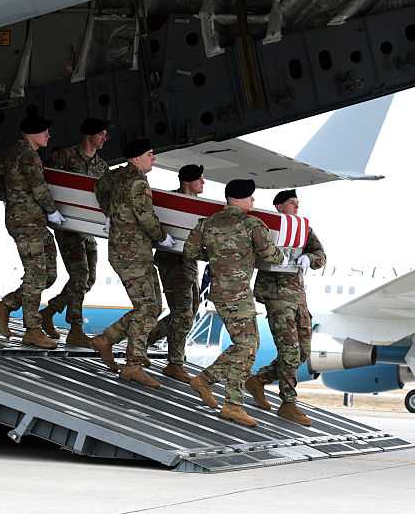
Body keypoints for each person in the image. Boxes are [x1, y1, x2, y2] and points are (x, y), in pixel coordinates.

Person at [185, 179, 284, 428]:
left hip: (218, 292)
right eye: (251, 197)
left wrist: (217, 256)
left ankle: (213, 385)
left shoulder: (208, 222)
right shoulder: (252, 224)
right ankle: (227, 400)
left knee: (247, 345)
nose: (253, 202)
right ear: (241, 198)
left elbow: (190, 251)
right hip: (238, 294)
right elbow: (273, 255)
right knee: (248, 345)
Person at [88, 139, 174, 386]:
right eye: (150, 154)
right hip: (133, 253)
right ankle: (132, 365)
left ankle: (107, 339)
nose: (153, 158)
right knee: (148, 307)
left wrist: (114, 213)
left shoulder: (115, 176)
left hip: (125, 250)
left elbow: (100, 190)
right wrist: (163, 237)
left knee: (153, 306)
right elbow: (145, 216)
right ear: (136, 158)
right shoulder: (137, 182)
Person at [246, 189, 326, 426]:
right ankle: (288, 403)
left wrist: (309, 259)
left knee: (302, 353)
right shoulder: (267, 227)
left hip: (298, 297)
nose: (296, 207)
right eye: (292, 203)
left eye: (297, 203)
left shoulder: (303, 229)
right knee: (290, 351)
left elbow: (321, 254)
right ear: (279, 206)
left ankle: (258, 380)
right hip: (277, 296)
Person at [0, 115, 65, 349]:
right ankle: (32, 329)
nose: (48, 136)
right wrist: (52, 211)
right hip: (27, 221)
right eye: (44, 132)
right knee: (36, 273)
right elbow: (39, 188)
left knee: (48, 273)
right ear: (32, 134)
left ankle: (6, 306)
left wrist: (8, 197)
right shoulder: (29, 156)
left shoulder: (13, 152)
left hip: (31, 221)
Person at [39, 117, 110, 346]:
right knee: (79, 275)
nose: (105, 139)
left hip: (88, 229)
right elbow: (47, 184)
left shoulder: (102, 166)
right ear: (90, 135)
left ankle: (50, 312)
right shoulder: (64, 157)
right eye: (101, 134)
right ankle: (75, 327)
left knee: (89, 279)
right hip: (67, 225)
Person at [150, 163, 205, 383]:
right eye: (199, 178)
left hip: (189, 263)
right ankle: (175, 363)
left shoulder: (201, 206)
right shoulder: (170, 202)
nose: (203, 182)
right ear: (187, 181)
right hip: (172, 262)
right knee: (182, 312)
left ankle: (144, 339)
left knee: (190, 310)